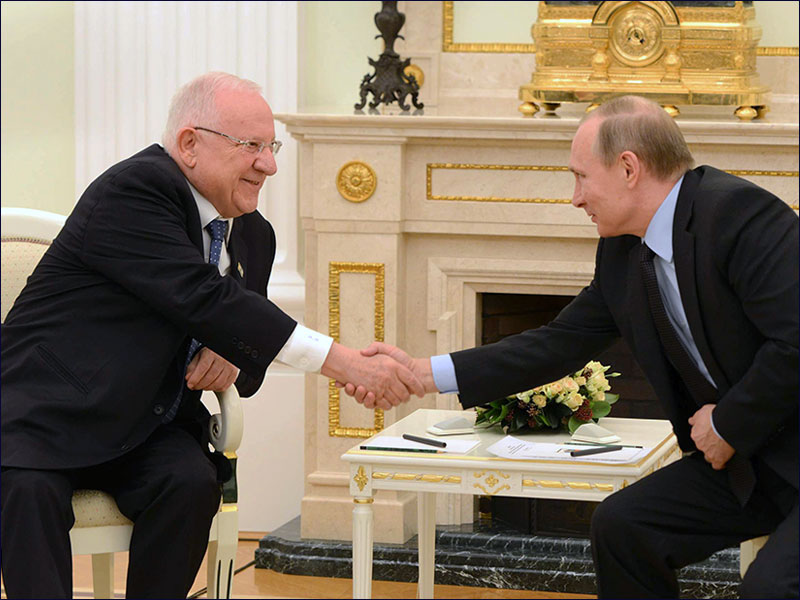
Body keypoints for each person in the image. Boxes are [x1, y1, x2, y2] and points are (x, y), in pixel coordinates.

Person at [344, 96, 799, 598]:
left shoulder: (736, 214)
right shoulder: (624, 250)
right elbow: (559, 343)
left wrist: (727, 422)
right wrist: (423, 373)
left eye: (581, 176)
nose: (575, 198)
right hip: (752, 463)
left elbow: (796, 341)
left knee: (770, 590)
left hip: (773, 446)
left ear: (628, 168)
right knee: (624, 526)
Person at [0, 71, 423, 599]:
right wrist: (344, 363)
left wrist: (228, 345)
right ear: (189, 144)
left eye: (272, 147)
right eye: (252, 146)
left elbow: (246, 356)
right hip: (48, 414)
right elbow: (202, 297)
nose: (268, 164)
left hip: (150, 423)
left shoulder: (253, 233)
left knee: (191, 482)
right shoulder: (135, 190)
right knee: (26, 490)